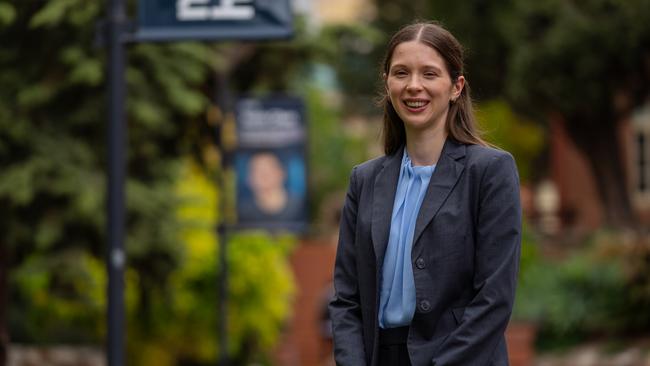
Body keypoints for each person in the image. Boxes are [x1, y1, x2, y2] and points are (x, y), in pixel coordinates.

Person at [328, 21, 522, 366]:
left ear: (456, 87)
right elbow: (346, 299)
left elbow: (494, 298)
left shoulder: (490, 171)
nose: (413, 86)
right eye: (401, 73)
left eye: (429, 74)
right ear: (387, 82)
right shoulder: (365, 180)